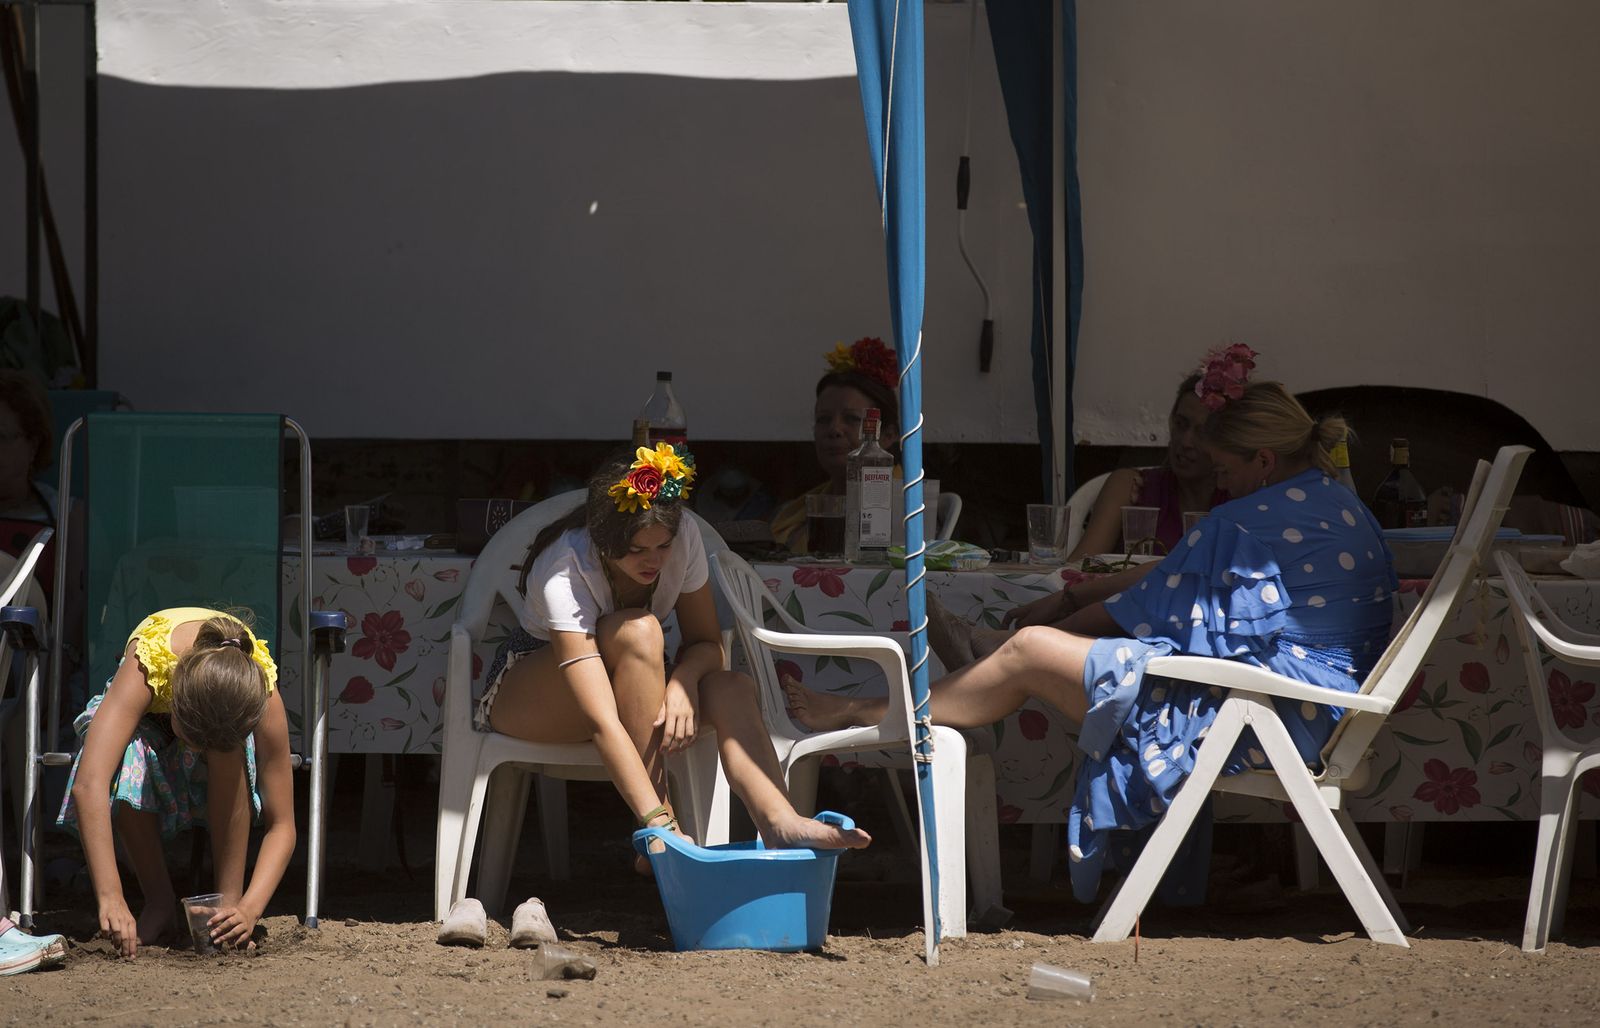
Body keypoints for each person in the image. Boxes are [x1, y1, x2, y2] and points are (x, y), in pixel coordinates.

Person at [784, 369, 1396, 901]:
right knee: (1034, 652)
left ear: (1262, 461)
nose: (1221, 482)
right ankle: (985, 654)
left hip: (1269, 715)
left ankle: (874, 705)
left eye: (1226, 469)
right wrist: (1071, 599)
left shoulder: (1243, 520)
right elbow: (1178, 575)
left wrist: (1051, 621)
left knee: (1029, 652)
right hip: (1320, 707)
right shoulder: (1335, 502)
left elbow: (1149, 606)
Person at [480, 442, 870, 870]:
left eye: (662, 547)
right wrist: (655, 819)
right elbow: (602, 719)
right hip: (533, 695)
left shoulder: (683, 537)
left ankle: (780, 820)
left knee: (730, 686)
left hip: (631, 682)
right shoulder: (565, 567)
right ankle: (661, 830)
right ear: (602, 538)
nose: (653, 561)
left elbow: (706, 644)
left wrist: (683, 683)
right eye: (636, 551)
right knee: (639, 631)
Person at [58, 609, 295, 957]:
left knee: (229, 751)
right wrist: (111, 897)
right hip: (150, 729)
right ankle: (158, 899)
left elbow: (283, 823)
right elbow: (90, 783)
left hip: (216, 716)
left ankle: (224, 906)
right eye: (196, 741)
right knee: (130, 755)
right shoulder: (149, 664)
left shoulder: (261, 694)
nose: (198, 751)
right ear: (176, 701)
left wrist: (249, 907)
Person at [1066, 368, 1231, 563]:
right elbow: (1079, 568)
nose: (1186, 442)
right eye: (1181, 424)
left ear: (1229, 439)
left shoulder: (1240, 498)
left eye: (1202, 432)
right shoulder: (1131, 486)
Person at [769, 337, 900, 554]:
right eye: (823, 419)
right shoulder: (794, 514)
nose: (834, 430)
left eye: (851, 419)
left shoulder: (906, 513)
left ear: (888, 435)